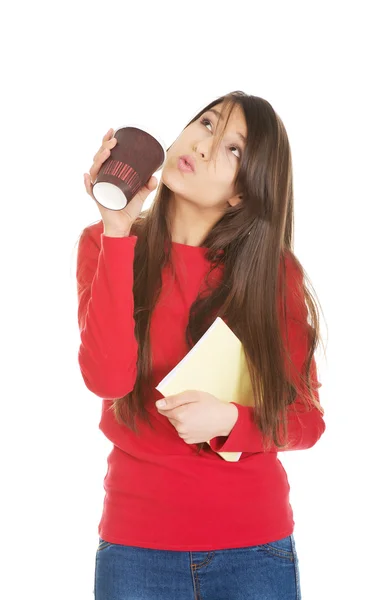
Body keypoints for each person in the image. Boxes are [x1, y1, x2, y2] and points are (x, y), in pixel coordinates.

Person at [76, 90, 326, 600]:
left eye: (234, 148)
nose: (206, 145)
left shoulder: (272, 276)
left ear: (242, 193)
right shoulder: (105, 244)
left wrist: (230, 422)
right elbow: (107, 379)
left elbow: (307, 420)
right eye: (208, 123)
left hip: (253, 551)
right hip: (134, 548)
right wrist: (117, 227)